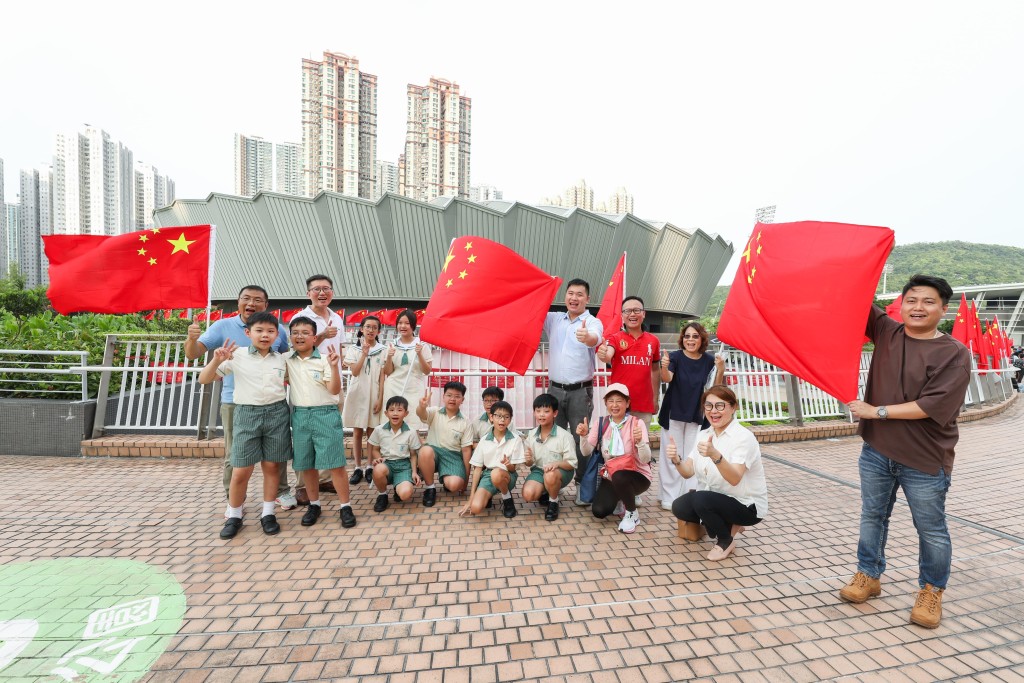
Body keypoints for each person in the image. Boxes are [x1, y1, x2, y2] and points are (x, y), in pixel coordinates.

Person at [843, 274, 971, 629]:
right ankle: (868, 575)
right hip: (876, 451)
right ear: (902, 304)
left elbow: (931, 405)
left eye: (928, 302)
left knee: (930, 529)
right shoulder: (887, 330)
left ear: (944, 310)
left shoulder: (954, 353)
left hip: (925, 458)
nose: (918, 307)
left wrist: (877, 411)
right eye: (912, 300)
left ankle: (931, 591)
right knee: (872, 516)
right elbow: (850, 296)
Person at [185, 285, 296, 510]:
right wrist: (192, 340)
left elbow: (286, 359)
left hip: (272, 405)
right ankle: (234, 501)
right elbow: (194, 353)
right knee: (235, 458)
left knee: (276, 455)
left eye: (258, 300)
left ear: (266, 305)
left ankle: (280, 493)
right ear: (238, 302)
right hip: (235, 402)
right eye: (246, 298)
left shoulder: (279, 331)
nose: (251, 303)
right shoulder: (223, 326)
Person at [198, 312, 292, 539]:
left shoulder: (282, 358)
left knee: (271, 467)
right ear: (248, 333)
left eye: (271, 331)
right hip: (246, 414)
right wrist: (217, 360)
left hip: (277, 413)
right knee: (241, 470)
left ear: (277, 335)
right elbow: (204, 379)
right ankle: (235, 516)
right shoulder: (236, 355)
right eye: (259, 330)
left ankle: (268, 513)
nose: (265, 335)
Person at [667, 385, 767, 560]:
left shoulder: (743, 437)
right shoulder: (704, 434)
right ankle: (728, 523)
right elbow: (688, 472)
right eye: (708, 406)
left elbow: (735, 478)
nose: (713, 411)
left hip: (747, 505)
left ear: (733, 407)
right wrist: (676, 459)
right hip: (718, 497)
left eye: (720, 406)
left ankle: (725, 540)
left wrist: (715, 455)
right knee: (679, 506)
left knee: (700, 499)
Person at [284, 316, 357, 529]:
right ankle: (314, 505)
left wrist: (334, 367)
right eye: (295, 332)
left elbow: (334, 389)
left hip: (325, 414)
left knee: (335, 463)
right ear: (290, 337)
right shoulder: (287, 359)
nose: (300, 336)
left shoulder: (326, 359)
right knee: (306, 464)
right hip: (300, 416)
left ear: (314, 337)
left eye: (305, 332)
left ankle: (345, 506)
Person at [543, 279, 603, 506]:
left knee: (582, 438)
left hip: (581, 391)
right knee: (553, 438)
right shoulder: (554, 319)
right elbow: (533, 310)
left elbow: (595, 338)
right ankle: (552, 486)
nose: (574, 298)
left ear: (587, 299)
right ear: (565, 296)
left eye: (580, 294)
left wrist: (587, 338)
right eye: (570, 293)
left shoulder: (592, 321)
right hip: (554, 390)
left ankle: (582, 485)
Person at [657, 322, 725, 510]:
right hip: (674, 412)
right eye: (687, 336)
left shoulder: (709, 360)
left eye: (695, 336)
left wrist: (720, 369)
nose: (690, 340)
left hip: (697, 413)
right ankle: (668, 495)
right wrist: (664, 366)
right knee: (672, 454)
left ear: (702, 339)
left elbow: (715, 389)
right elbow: (667, 378)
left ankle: (688, 495)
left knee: (692, 456)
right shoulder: (675, 357)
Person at [294, 275, 347, 500]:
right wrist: (322, 335)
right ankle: (303, 486)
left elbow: (340, 347)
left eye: (326, 288)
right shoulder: (301, 317)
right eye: (317, 289)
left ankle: (325, 479)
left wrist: (342, 368)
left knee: (331, 430)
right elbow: (297, 346)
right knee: (306, 434)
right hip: (308, 379)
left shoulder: (337, 317)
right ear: (309, 293)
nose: (322, 293)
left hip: (333, 377)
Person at [577, 383, 652, 534]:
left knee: (619, 475)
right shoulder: (601, 423)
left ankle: (632, 513)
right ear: (605, 403)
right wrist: (583, 436)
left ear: (627, 403)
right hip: (612, 475)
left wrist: (640, 443)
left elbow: (645, 459)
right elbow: (586, 452)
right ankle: (621, 498)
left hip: (637, 475)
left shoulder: (637, 423)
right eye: (611, 401)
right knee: (599, 510)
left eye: (619, 400)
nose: (615, 405)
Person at [596, 296, 661, 424]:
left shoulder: (653, 341)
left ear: (643, 314)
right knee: (618, 443)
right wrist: (603, 354)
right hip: (619, 405)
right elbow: (608, 354)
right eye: (627, 311)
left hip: (644, 406)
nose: (632, 314)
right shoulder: (615, 338)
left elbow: (655, 371)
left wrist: (655, 398)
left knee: (641, 443)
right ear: (622, 315)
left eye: (636, 310)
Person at [460, 400, 525, 518]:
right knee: (475, 508)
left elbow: (513, 469)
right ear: (491, 417)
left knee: (496, 474)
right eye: (498, 416)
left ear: (510, 419)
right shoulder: (484, 440)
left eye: (506, 417)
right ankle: (489, 495)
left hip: (507, 476)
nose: (502, 420)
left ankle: (507, 499)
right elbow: (478, 469)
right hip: (488, 476)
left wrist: (508, 464)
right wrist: (471, 498)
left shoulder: (516, 439)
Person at [342, 315, 386, 485]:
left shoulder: (382, 350)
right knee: (357, 430)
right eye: (367, 327)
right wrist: (364, 354)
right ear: (361, 329)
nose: (370, 330)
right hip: (358, 393)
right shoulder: (354, 349)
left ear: (378, 331)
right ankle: (357, 467)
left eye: (374, 327)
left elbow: (383, 376)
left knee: (371, 431)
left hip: (374, 393)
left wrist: (380, 398)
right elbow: (354, 371)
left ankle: (369, 466)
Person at [520, 393, 577, 521]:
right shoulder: (531, 434)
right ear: (534, 412)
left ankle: (553, 502)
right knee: (528, 495)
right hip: (539, 470)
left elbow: (571, 463)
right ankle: (545, 491)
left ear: (555, 413)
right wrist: (528, 460)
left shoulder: (564, 436)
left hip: (561, 472)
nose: (541, 414)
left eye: (546, 411)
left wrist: (556, 464)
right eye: (538, 411)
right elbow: (529, 464)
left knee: (550, 475)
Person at [417, 381, 474, 506]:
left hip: (453, 456)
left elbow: (466, 450)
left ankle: (447, 478)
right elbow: (421, 414)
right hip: (434, 452)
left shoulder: (465, 422)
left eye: (457, 396)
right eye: (449, 395)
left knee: (455, 485)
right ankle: (430, 487)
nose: (452, 399)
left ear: (462, 399)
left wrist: (466, 479)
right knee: (425, 451)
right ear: (443, 397)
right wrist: (422, 406)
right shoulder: (435, 412)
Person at [367, 395, 423, 513]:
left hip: (404, 466)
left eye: (399, 410)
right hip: (387, 464)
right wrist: (378, 459)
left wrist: (414, 472)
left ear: (406, 413)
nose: (395, 413)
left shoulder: (411, 432)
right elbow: (375, 449)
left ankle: (398, 489)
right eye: (391, 410)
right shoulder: (379, 430)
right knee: (378, 469)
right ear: (386, 413)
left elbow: (413, 455)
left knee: (405, 494)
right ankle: (382, 495)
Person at [382, 309, 433, 429]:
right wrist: (389, 356)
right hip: (393, 387)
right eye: (400, 323)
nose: (403, 326)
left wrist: (419, 354)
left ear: (413, 326)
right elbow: (388, 372)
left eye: (407, 323)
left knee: (413, 424)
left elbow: (426, 371)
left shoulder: (422, 345)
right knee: (393, 423)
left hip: (414, 388)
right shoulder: (392, 345)